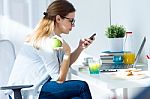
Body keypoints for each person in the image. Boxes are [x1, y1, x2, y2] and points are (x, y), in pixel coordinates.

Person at [7, 0, 94, 99]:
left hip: (40, 88)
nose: (73, 25)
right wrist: (67, 51)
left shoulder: (55, 38)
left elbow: (65, 64)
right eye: (71, 20)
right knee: (82, 87)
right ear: (58, 19)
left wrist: (80, 48)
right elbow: (60, 79)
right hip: (29, 92)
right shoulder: (45, 42)